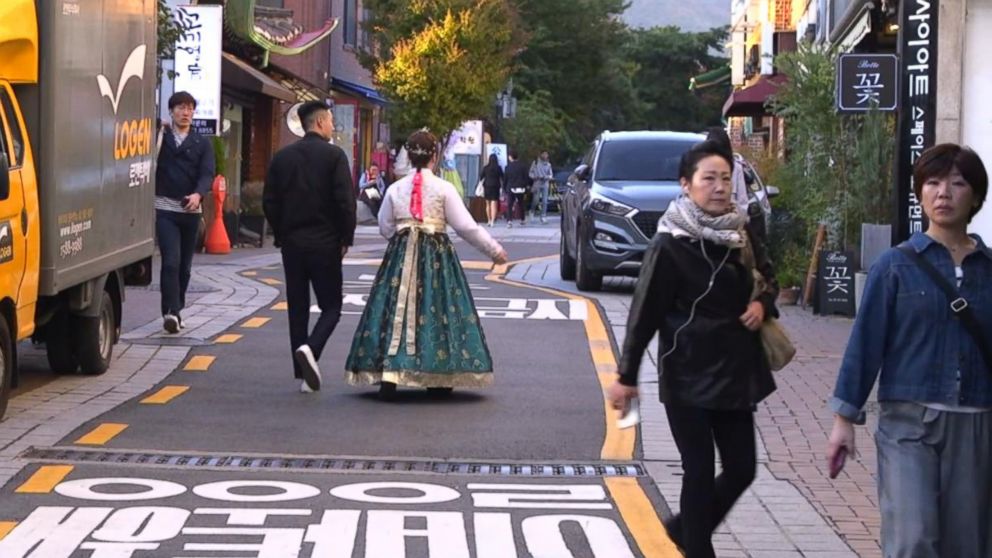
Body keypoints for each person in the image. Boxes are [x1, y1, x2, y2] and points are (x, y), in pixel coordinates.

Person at [606, 140, 778, 558]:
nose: (719, 188)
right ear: (686, 185)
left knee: (742, 468)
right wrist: (626, 376)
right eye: (709, 179)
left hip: (737, 369)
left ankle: (686, 528)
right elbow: (644, 312)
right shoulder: (670, 245)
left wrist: (761, 303)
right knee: (698, 470)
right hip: (687, 371)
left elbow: (768, 277)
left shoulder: (741, 232)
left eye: (725, 179)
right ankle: (698, 547)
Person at [826, 144, 992, 558]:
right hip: (907, 425)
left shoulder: (989, 270)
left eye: (957, 184)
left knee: (967, 545)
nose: (944, 194)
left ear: (976, 196)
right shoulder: (895, 266)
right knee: (912, 536)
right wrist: (844, 419)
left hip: (975, 425)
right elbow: (865, 344)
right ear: (920, 194)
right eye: (933, 183)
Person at [346, 130, 508, 399]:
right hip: (436, 257)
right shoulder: (444, 189)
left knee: (394, 307)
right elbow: (466, 227)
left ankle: (389, 373)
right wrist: (494, 251)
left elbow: (385, 226)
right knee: (438, 307)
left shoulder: (396, 188)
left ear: (409, 156)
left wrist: (404, 236)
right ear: (435, 156)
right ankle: (438, 375)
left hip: (400, 255)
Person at [263, 101, 356, 394]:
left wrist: (280, 234)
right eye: (330, 121)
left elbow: (270, 202)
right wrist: (346, 238)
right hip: (325, 243)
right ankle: (311, 351)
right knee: (331, 306)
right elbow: (345, 202)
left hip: (292, 243)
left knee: (298, 307)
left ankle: (302, 370)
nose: (333, 126)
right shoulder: (334, 156)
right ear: (319, 123)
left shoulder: (282, 158)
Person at [155, 91, 215, 334]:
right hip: (164, 208)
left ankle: (177, 307)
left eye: (190, 108)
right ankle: (170, 312)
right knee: (170, 261)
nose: (185, 112)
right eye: (180, 107)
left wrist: (198, 194)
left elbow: (207, 174)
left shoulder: (202, 143)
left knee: (185, 267)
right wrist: (158, 127)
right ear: (171, 111)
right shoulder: (161, 136)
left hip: (191, 211)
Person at [503, 150, 529, 227]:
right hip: (521, 188)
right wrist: (526, 186)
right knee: (521, 204)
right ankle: (522, 219)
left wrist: (504, 188)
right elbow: (526, 177)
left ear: (510, 157)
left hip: (511, 187)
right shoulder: (523, 166)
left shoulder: (508, 167)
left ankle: (509, 221)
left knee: (510, 205)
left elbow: (505, 179)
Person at [529, 150, 554, 224]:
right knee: (536, 200)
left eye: (547, 154)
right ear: (541, 155)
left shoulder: (549, 165)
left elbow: (551, 174)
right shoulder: (536, 163)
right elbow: (530, 173)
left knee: (545, 201)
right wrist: (535, 177)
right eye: (544, 154)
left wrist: (547, 177)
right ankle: (532, 211)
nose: (546, 156)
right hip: (537, 183)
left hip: (545, 183)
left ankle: (543, 216)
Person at [480, 154, 504, 227]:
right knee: (494, 204)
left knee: (488, 204)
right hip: (495, 187)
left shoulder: (486, 168)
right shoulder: (498, 168)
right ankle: (493, 221)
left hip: (487, 186)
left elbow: (481, 177)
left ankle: (489, 220)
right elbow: (502, 177)